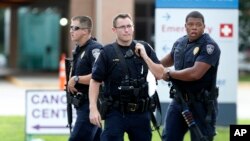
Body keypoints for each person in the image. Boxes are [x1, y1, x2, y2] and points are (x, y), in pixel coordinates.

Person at [88, 13, 164, 141]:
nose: (126, 30)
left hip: (141, 113)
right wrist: (93, 108)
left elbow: (160, 74)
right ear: (114, 30)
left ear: (133, 28)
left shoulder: (144, 47)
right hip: (116, 113)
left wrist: (145, 56)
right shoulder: (107, 52)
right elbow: (95, 81)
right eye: (122, 27)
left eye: (129, 26)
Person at [160, 11, 221, 141]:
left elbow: (195, 73)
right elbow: (166, 61)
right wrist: (148, 63)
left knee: (201, 138)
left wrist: (170, 74)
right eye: (191, 24)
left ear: (204, 27)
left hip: (202, 104)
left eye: (198, 24)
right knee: (169, 138)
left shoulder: (210, 46)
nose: (194, 27)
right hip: (179, 101)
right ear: (185, 26)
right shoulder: (180, 43)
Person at [67, 16, 102, 141]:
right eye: (71, 27)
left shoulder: (94, 49)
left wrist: (76, 79)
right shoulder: (79, 49)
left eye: (75, 28)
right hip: (82, 104)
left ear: (86, 31)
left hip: (90, 105)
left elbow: (100, 75)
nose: (71, 30)